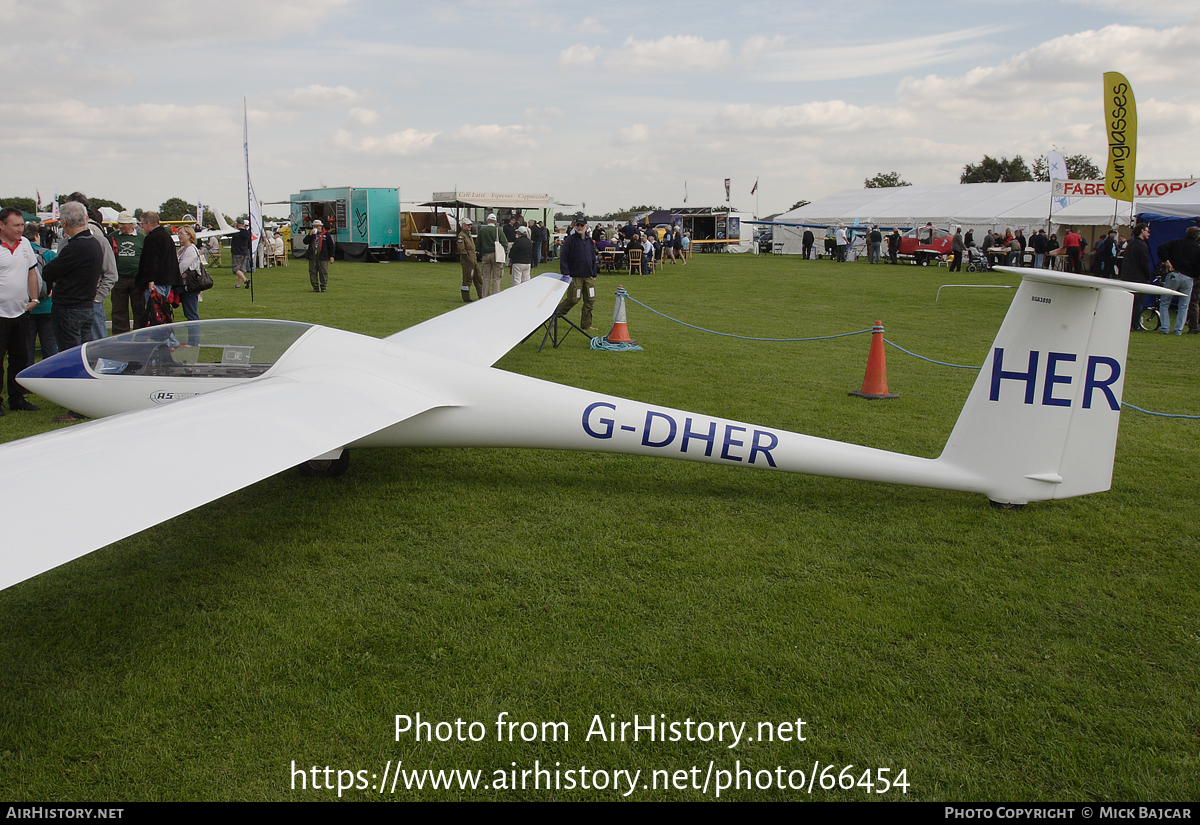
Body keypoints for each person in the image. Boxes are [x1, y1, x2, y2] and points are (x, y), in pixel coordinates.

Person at [0, 207, 41, 415]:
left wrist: (34, 299)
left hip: (20, 311)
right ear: (1, 225)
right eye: (15, 225)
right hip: (0, 313)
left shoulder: (25, 244)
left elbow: (32, 272)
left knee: (20, 357)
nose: (20, 229)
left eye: (21, 225)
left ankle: (17, 398)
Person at [136, 212, 181, 327]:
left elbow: (152, 260)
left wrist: (150, 279)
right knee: (164, 310)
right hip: (167, 280)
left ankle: (166, 339)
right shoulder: (166, 236)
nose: (142, 227)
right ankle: (166, 338)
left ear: (149, 223)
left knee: (157, 311)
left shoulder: (152, 238)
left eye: (142, 224)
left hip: (157, 282)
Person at [555, 217, 598, 331]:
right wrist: (566, 273)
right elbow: (563, 258)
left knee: (590, 300)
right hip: (575, 276)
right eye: (577, 225)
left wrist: (594, 274)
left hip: (588, 276)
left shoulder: (589, 241)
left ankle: (586, 324)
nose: (579, 227)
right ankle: (553, 316)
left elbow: (593, 258)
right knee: (573, 299)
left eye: (582, 225)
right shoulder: (570, 240)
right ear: (574, 226)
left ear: (586, 226)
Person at [1158, 226, 1200, 335]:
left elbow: (1161, 248)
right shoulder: (1197, 249)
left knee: (1165, 302)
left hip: (1174, 274)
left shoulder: (1176, 242)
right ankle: (1178, 330)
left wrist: (1166, 260)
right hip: (1188, 278)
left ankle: (1165, 328)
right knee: (1184, 306)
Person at [111, 210, 144, 335]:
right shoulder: (113, 236)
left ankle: (140, 334)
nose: (120, 226)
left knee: (139, 308)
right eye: (119, 223)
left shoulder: (141, 238)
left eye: (123, 224)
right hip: (119, 278)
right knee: (119, 309)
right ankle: (120, 335)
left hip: (136, 278)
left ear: (131, 224)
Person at [1123, 223, 1152, 331]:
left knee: (1129, 303)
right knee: (1138, 304)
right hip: (1138, 278)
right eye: (1147, 231)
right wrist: (1148, 276)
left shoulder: (1130, 244)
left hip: (1128, 277)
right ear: (1142, 231)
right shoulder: (1142, 245)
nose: (1148, 234)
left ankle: (1128, 323)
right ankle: (1135, 324)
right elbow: (1144, 263)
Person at [176, 225, 202, 339]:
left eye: (182, 233)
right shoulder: (182, 249)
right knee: (188, 312)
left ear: (189, 235)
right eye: (179, 233)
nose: (179, 236)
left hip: (190, 286)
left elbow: (182, 267)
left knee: (191, 313)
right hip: (183, 285)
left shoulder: (191, 249)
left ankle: (193, 340)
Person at [476, 213, 508, 298]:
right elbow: (505, 243)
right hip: (497, 256)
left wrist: (482, 251)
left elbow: (477, 245)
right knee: (496, 278)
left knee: (486, 278)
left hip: (486, 255)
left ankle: (484, 296)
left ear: (487, 221)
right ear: (495, 221)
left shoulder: (482, 231)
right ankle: (495, 297)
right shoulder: (498, 230)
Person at [304, 220, 335, 293]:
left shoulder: (326, 234)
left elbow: (331, 246)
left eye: (317, 226)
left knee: (323, 272)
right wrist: (310, 235)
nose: (315, 227)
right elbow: (305, 241)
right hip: (313, 256)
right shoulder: (312, 235)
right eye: (314, 226)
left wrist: (332, 256)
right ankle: (315, 287)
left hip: (323, 256)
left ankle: (323, 287)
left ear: (321, 226)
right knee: (313, 271)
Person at [456, 219, 481, 302]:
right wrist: (468, 259)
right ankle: (466, 298)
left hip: (473, 260)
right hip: (468, 262)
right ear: (463, 226)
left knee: (478, 278)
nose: (469, 226)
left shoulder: (468, 235)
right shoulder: (461, 236)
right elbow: (461, 249)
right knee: (467, 279)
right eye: (467, 225)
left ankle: (481, 296)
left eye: (470, 225)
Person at [231, 218, 252, 288]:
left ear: (237, 224)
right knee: (241, 270)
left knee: (235, 269)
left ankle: (245, 280)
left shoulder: (235, 232)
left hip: (236, 252)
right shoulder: (246, 232)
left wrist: (232, 226)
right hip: (244, 252)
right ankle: (238, 285)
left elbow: (227, 233)